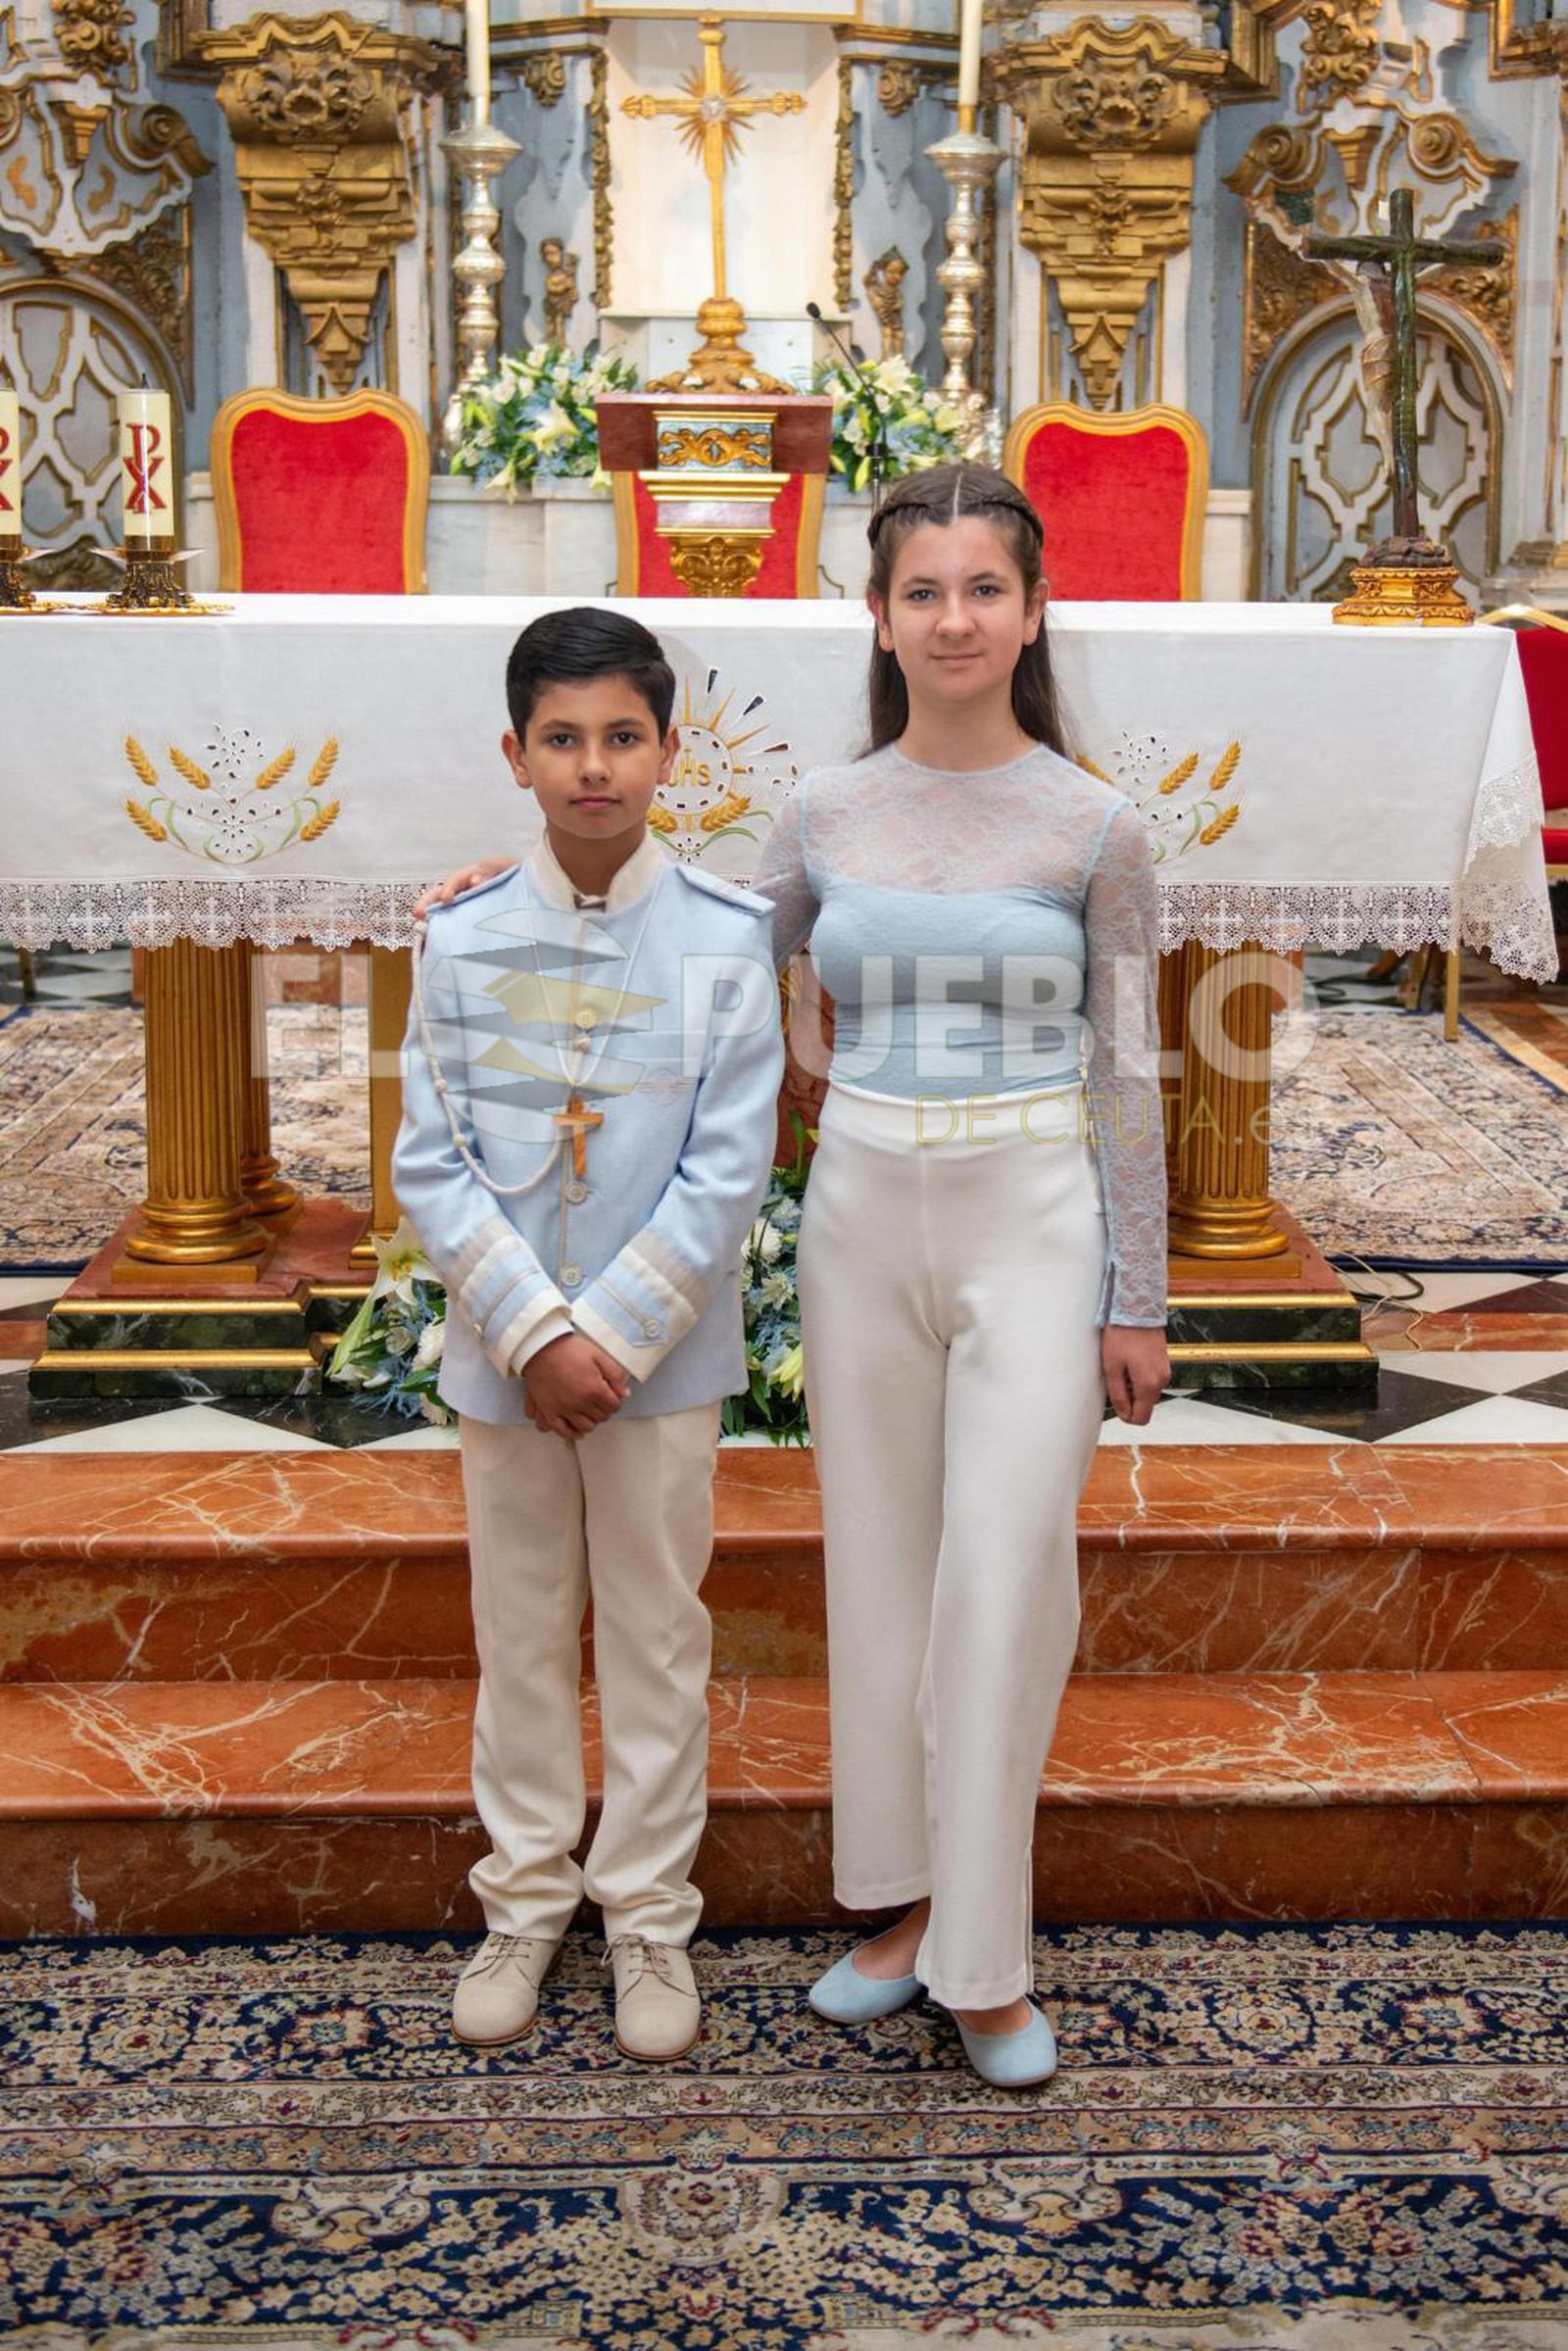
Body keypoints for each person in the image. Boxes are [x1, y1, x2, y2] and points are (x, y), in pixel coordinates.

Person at [417, 464, 1169, 2087]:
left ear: (1033, 613)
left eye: (985, 588)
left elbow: (1135, 1074)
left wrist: (1140, 1295)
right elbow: (683, 941)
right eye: (922, 590)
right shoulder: (825, 812)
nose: (954, 617)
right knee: (883, 1571)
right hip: (864, 1222)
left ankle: (985, 1959)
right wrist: (490, 888)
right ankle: (897, 1910)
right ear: (881, 618)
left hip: (1035, 1214)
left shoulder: (1098, 823)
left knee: (1003, 1575)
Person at [394, 606, 782, 2062]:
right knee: (518, 1630)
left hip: (660, 1362)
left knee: (657, 1631)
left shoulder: (727, 940)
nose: (594, 767)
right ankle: (524, 1901)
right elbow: (431, 1160)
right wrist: (533, 1333)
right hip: (505, 1360)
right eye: (563, 740)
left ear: (670, 752)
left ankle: (649, 1921)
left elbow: (729, 1168)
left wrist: (606, 1335)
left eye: (623, 737)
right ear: (516, 755)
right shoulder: (463, 933)